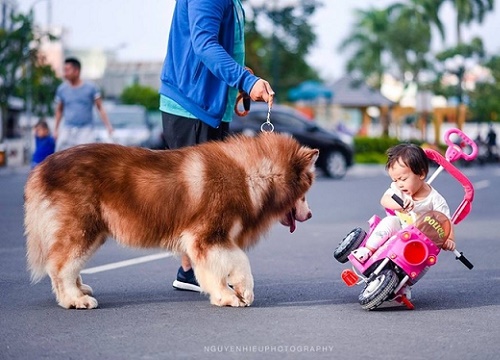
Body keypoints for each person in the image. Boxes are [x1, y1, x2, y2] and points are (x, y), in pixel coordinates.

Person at [159, 0, 275, 292]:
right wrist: (246, 81)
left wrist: (237, 85)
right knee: (203, 198)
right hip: (192, 105)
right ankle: (197, 270)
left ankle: (190, 270)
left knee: (202, 197)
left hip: (209, 104)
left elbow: (224, 46)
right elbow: (204, 43)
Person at [352, 143, 456, 265]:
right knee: (389, 221)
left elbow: (446, 222)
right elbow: (385, 200)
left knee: (427, 259)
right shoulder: (399, 189)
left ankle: (407, 279)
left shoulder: (435, 199)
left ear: (421, 174)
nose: (399, 184)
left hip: (420, 239)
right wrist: (399, 205)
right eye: (395, 180)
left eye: (403, 179)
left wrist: (449, 239)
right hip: (400, 227)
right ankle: (367, 250)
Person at [54, 57, 113, 151]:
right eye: (64, 70)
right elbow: (59, 110)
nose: (65, 73)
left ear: (76, 71)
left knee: (84, 155)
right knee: (59, 154)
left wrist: (108, 126)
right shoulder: (62, 89)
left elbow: (100, 107)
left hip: (86, 129)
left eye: (67, 70)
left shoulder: (91, 88)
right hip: (68, 128)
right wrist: (56, 129)